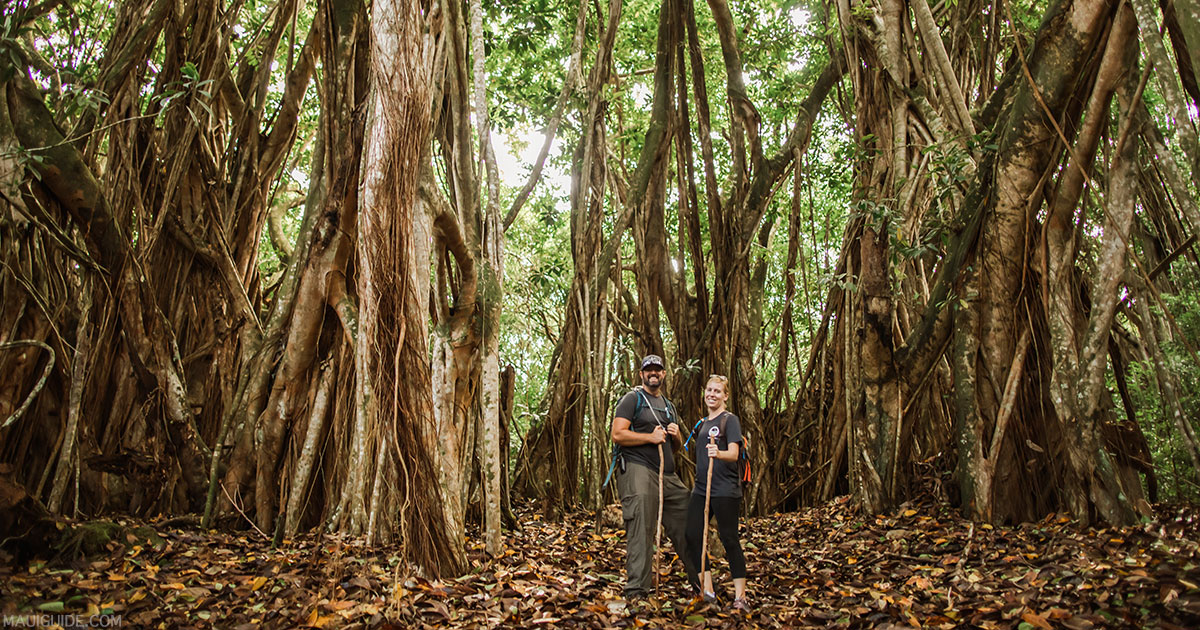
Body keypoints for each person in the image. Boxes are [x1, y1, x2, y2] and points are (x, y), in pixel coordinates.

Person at [611, 354, 699, 601]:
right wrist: (649, 437)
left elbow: (674, 448)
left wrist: (677, 436)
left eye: (657, 369)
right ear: (641, 374)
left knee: (689, 523)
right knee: (642, 528)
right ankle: (637, 592)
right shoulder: (632, 399)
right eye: (648, 369)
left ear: (663, 374)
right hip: (639, 470)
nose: (653, 373)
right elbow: (617, 434)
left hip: (667, 475)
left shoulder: (669, 406)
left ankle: (702, 584)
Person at [686, 374, 749, 609]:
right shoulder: (701, 423)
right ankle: (708, 590)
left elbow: (733, 453)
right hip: (702, 489)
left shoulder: (729, 420)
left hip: (725, 489)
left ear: (725, 396)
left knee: (729, 538)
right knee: (693, 535)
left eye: (717, 391)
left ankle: (740, 597)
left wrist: (718, 453)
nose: (712, 394)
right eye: (709, 390)